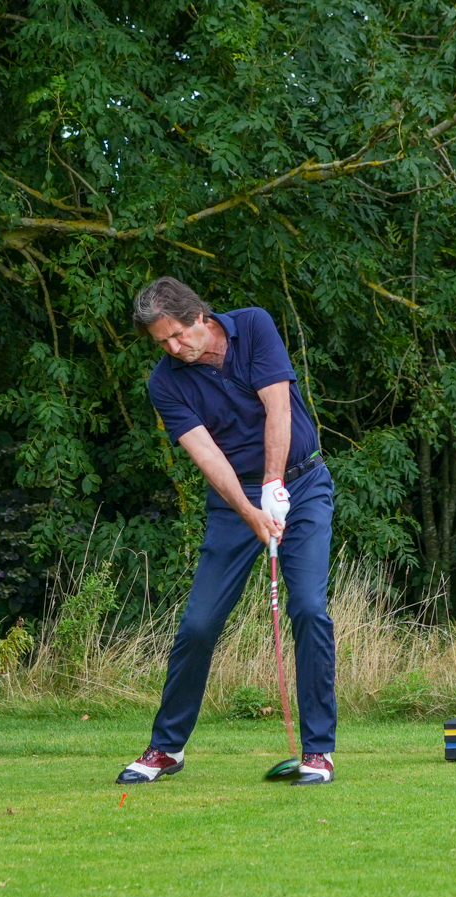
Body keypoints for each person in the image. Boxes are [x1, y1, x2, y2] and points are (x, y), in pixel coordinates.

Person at [116, 276, 336, 786]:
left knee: (308, 609)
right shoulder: (165, 383)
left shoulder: (254, 326)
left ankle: (318, 752)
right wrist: (251, 511)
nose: (174, 349)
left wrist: (275, 485)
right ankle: (167, 747)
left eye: (177, 335)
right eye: (162, 343)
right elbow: (207, 456)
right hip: (234, 500)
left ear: (199, 315)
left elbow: (278, 407)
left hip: (302, 485)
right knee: (198, 624)